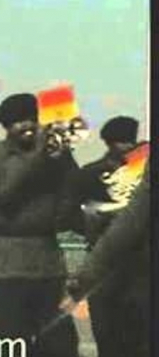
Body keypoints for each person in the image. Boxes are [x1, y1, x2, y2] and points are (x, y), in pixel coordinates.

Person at [0, 93, 80, 357]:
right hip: (9, 265)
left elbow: (74, 188)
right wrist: (37, 156)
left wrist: (63, 155)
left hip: (48, 262)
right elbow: (1, 193)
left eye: (32, 120)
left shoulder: (53, 153)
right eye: (19, 122)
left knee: (60, 343)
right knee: (14, 342)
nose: (28, 126)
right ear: (7, 127)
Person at [63, 116, 144, 357]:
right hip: (137, 264)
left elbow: (67, 214)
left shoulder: (89, 174)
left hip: (105, 263)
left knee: (109, 339)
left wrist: (93, 229)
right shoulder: (144, 174)